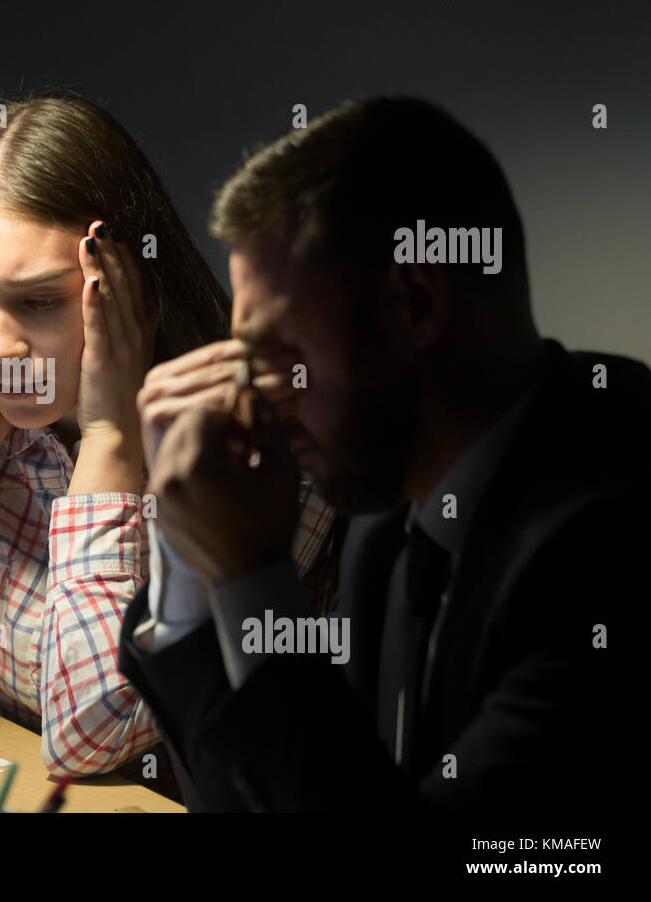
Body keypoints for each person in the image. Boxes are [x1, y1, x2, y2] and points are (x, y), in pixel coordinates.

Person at [0, 90, 335, 778]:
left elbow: (89, 737)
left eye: (39, 301)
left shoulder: (240, 432)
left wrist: (109, 439)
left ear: (127, 276)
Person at [121, 95, 645, 811]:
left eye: (276, 352)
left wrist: (252, 577)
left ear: (418, 304)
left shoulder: (608, 549)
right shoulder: (386, 524)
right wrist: (189, 559)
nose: (254, 400)